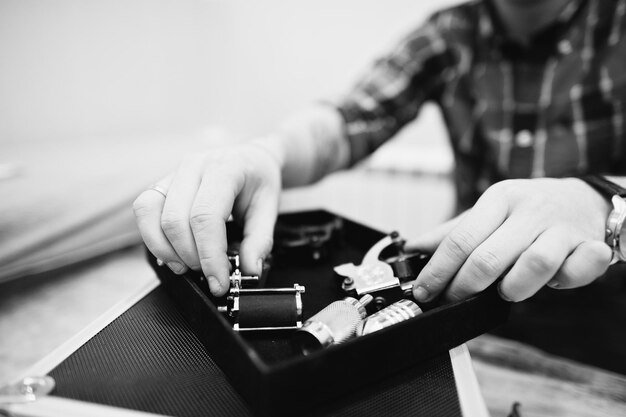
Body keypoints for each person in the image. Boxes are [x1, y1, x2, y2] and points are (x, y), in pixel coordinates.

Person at [133, 0, 626, 305]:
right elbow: (351, 120)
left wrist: (604, 201)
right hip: (469, 305)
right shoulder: (449, 31)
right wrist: (267, 153)